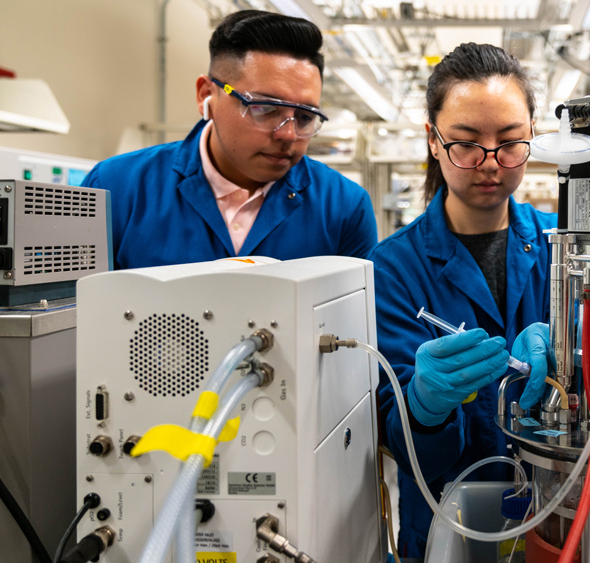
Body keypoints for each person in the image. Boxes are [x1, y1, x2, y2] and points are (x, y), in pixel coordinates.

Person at [370, 43, 556, 558]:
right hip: (444, 524)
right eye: (467, 144)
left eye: (510, 142)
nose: (489, 164)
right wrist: (424, 407)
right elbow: (404, 448)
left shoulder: (560, 252)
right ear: (433, 141)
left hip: (555, 514)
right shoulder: (392, 269)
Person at [81, 10, 377, 269]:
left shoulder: (344, 208)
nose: (288, 134)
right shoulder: (116, 189)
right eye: (265, 108)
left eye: (304, 117)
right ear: (206, 95)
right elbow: (71, 317)